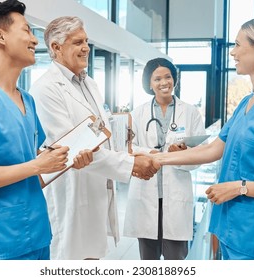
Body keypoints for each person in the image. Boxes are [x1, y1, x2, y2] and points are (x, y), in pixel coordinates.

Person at [145, 15, 254, 260]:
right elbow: (212, 149)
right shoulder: (247, 102)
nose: (233, 53)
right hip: (228, 226)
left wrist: (240, 188)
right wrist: (159, 159)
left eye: (238, 45)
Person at [0, 0, 92, 260]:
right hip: (0, 241)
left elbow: (38, 173)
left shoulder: (27, 100)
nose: (35, 41)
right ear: (0, 36)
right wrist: (38, 165)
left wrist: (67, 161)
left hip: (38, 235)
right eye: (27, 30)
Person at [29, 16, 160, 260]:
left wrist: (138, 151)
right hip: (71, 193)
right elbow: (70, 148)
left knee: (91, 258)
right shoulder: (46, 88)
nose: (86, 47)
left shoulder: (89, 84)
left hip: (95, 189)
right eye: (78, 42)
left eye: (86, 41)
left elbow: (101, 134)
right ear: (56, 48)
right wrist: (131, 165)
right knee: (69, 260)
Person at [123, 58, 206, 260]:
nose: (164, 82)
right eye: (157, 78)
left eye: (168, 77)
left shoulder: (190, 112)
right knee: (148, 260)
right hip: (146, 194)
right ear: (149, 84)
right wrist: (154, 154)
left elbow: (201, 151)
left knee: (176, 260)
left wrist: (180, 155)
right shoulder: (138, 113)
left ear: (174, 79)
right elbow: (128, 148)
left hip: (176, 192)